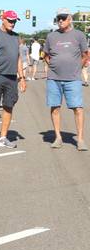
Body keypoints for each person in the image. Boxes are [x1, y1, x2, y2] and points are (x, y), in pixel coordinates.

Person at [44, 9, 89, 150]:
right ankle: (58, 137)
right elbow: (46, 55)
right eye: (58, 18)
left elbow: (86, 54)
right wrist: (52, 65)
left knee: (78, 109)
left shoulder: (79, 35)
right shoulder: (51, 36)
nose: (61, 21)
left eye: (63, 18)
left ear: (70, 19)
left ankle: (80, 139)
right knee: (55, 107)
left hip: (73, 79)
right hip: (54, 79)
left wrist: (77, 68)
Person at [0, 11, 26, 150]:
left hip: (12, 78)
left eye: (14, 21)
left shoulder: (16, 37)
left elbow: (18, 58)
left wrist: (22, 77)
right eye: (9, 20)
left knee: (9, 107)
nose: (12, 23)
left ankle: (2, 138)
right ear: (3, 19)